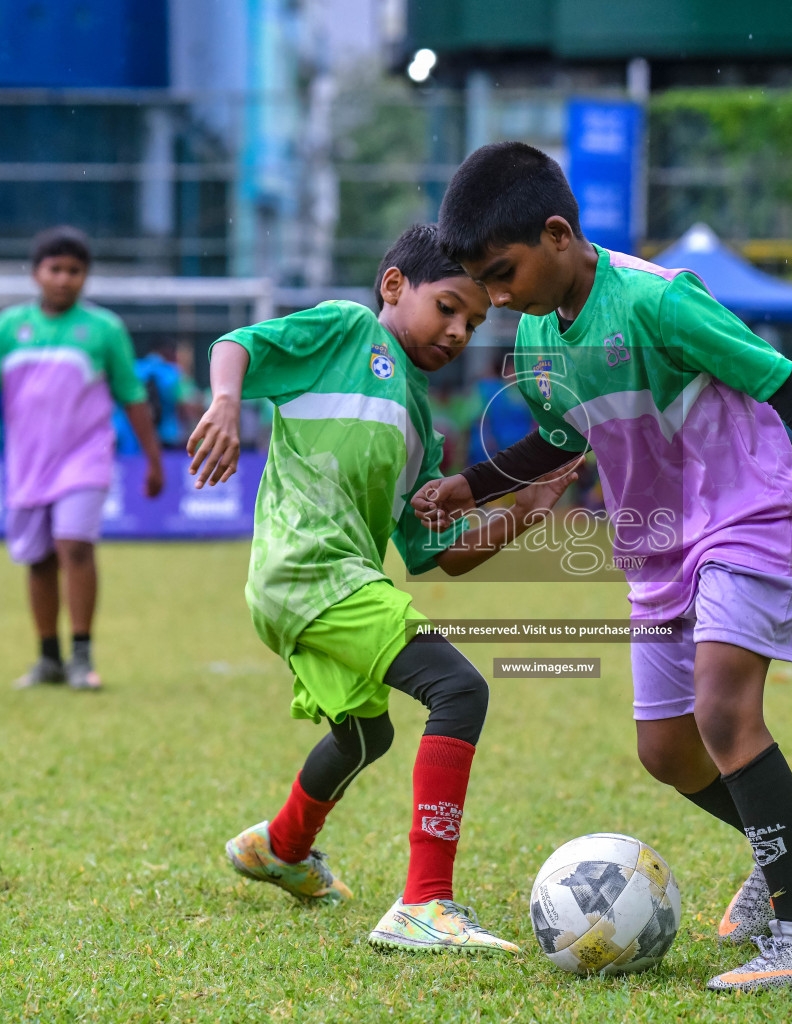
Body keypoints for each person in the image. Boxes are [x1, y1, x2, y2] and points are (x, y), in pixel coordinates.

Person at [417, 142, 792, 992]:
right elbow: (566, 435)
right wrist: (472, 485)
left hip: (742, 513)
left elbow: (779, 377)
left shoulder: (656, 298)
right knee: (667, 750)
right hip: (659, 543)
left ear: (559, 233)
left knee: (721, 709)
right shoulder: (538, 333)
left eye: (503, 272)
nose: (494, 297)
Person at [185, 224, 575, 953]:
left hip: (328, 581)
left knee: (367, 732)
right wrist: (227, 403)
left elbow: (438, 556)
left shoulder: (419, 419)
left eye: (473, 322)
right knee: (460, 690)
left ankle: (280, 848)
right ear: (395, 286)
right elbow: (235, 344)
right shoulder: (344, 329)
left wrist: (523, 512)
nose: (458, 332)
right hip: (307, 569)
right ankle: (424, 904)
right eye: (449, 308)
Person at [0, 225, 165, 691]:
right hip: (27, 462)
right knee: (38, 559)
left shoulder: (104, 330)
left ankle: (82, 656)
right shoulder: (7, 327)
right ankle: (48, 658)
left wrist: (154, 459)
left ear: (86, 277)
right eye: (55, 269)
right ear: (36, 273)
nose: (64, 279)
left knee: (75, 545)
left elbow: (132, 396)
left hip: (85, 458)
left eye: (74, 271)